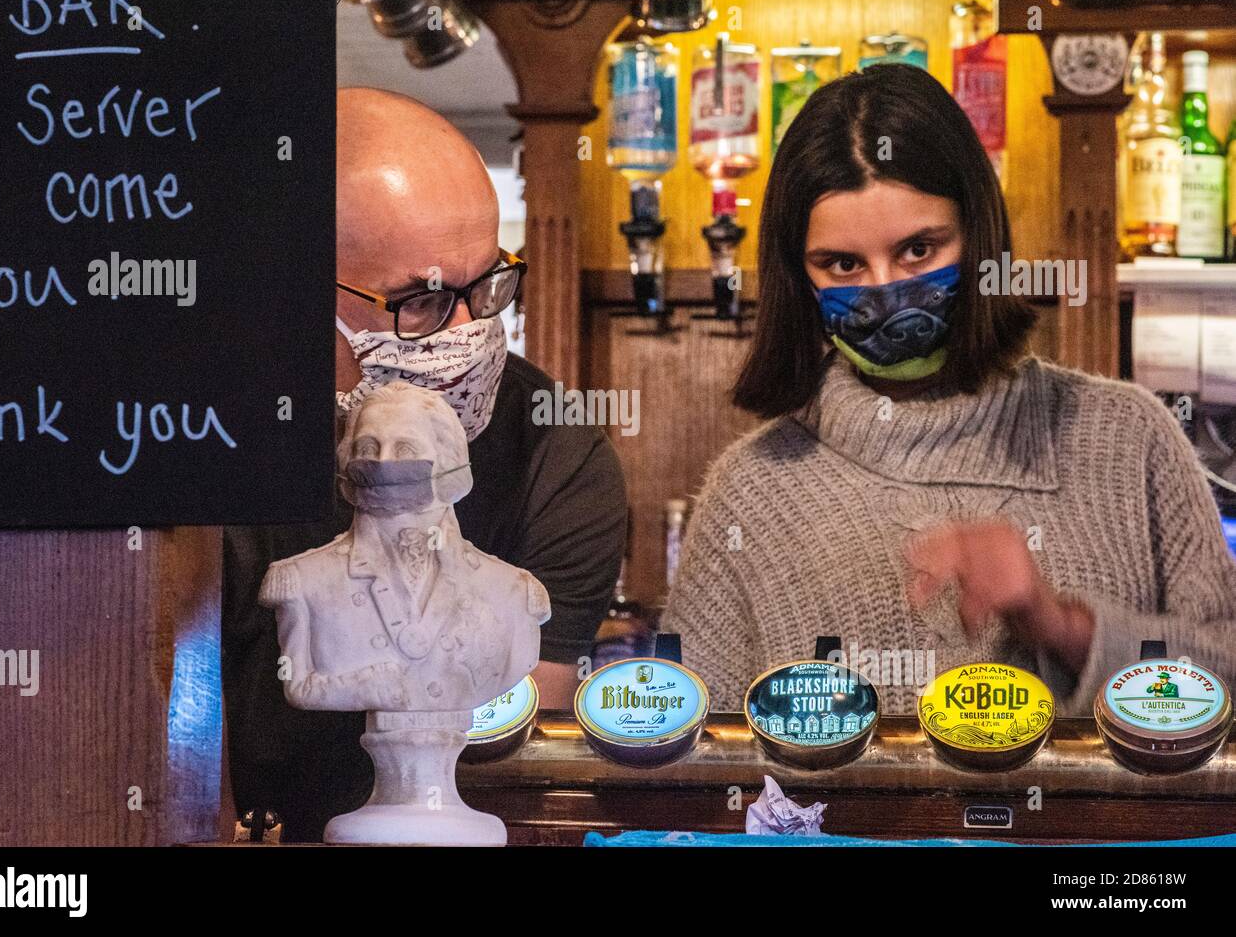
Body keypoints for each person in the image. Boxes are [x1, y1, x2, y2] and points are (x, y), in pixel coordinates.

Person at [663, 64, 1236, 716]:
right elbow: (691, 767)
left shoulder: (1129, 440)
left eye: (918, 250)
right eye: (844, 264)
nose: (884, 289)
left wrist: (1063, 628)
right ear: (800, 276)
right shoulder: (753, 491)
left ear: (979, 233)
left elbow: (1228, 682)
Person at [222, 88, 626, 842]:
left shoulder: (557, 453)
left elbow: (501, 757)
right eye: (423, 299)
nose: (472, 330)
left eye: (488, 285)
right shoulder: (196, 442)